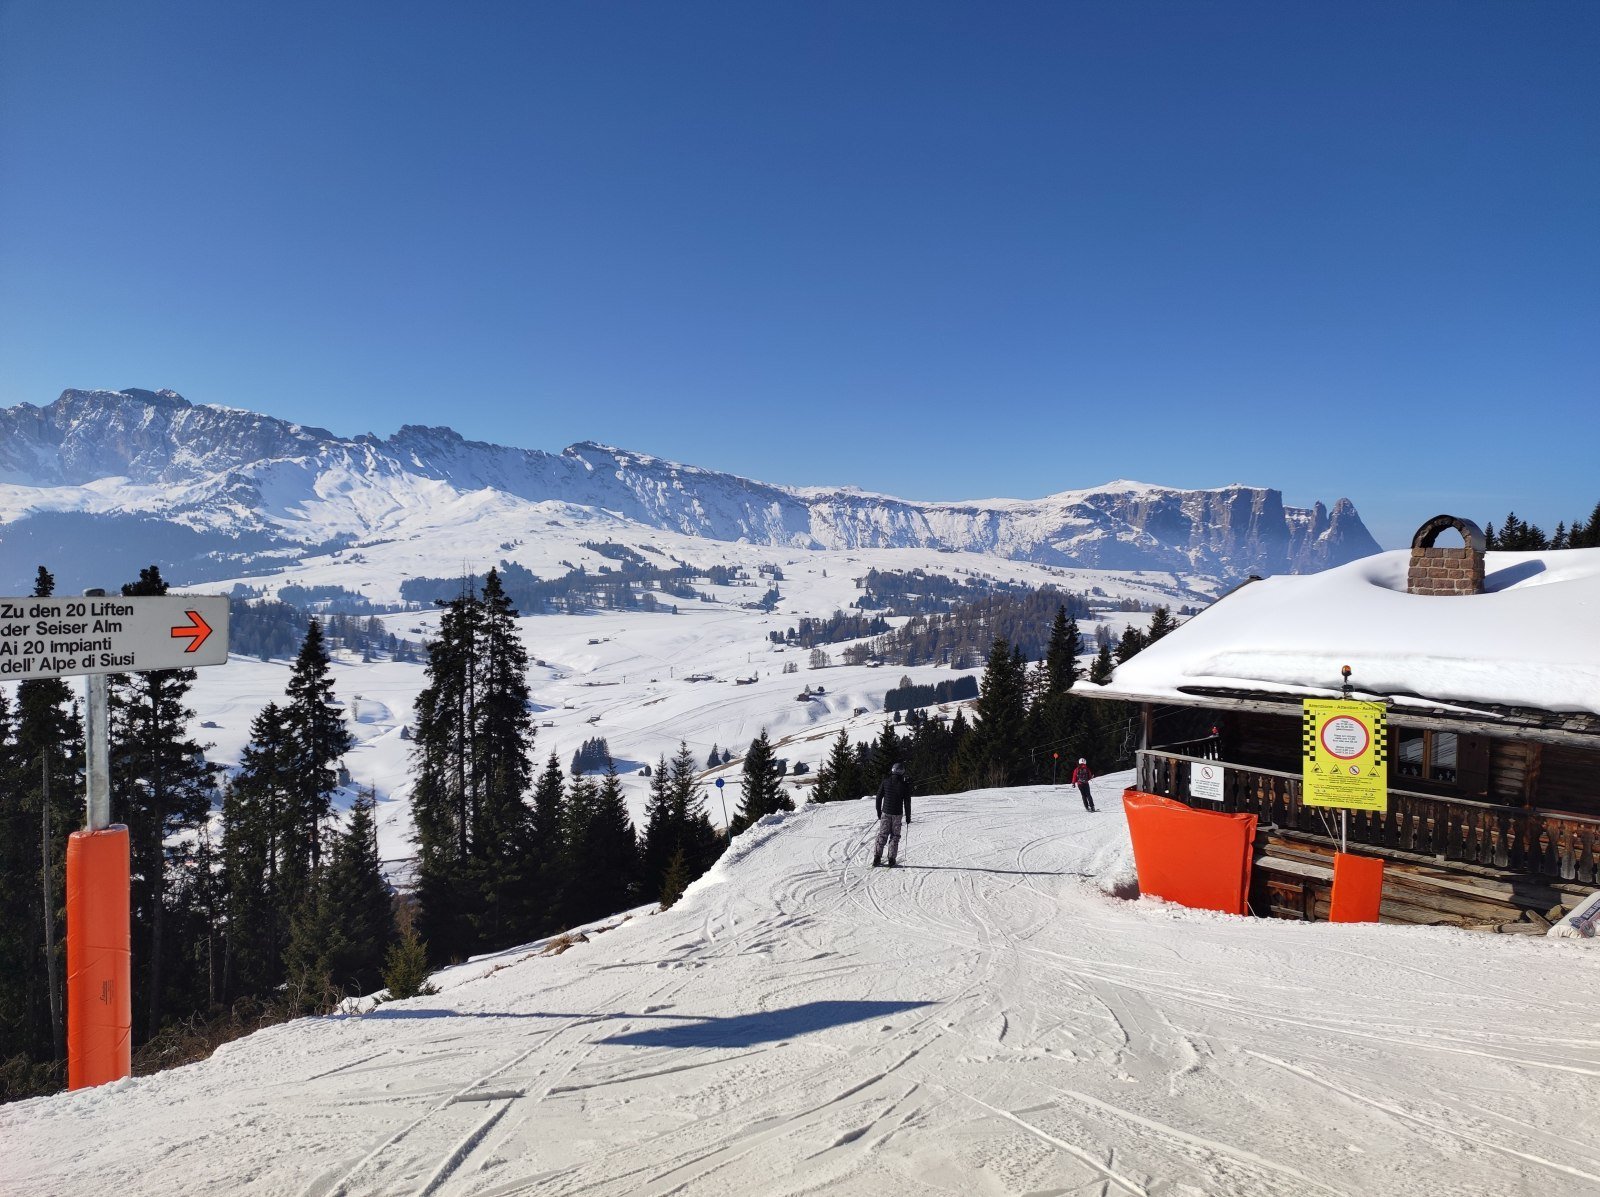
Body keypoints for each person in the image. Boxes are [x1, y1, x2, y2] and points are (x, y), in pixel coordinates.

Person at [873, 761, 912, 867]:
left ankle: (877, 858)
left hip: (885, 812)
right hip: (897, 814)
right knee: (895, 836)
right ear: (902, 772)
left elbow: (878, 797)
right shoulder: (904, 785)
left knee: (882, 835)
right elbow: (907, 802)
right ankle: (891, 859)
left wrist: (878, 812)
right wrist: (908, 817)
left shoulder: (885, 781)